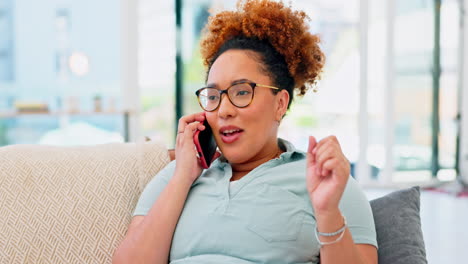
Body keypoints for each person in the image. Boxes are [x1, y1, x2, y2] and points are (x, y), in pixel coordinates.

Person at [113, 0, 378, 263]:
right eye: (214, 95)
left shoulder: (327, 183)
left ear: (280, 104)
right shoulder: (175, 177)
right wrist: (183, 177)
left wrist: (328, 213)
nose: (224, 110)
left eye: (242, 92)